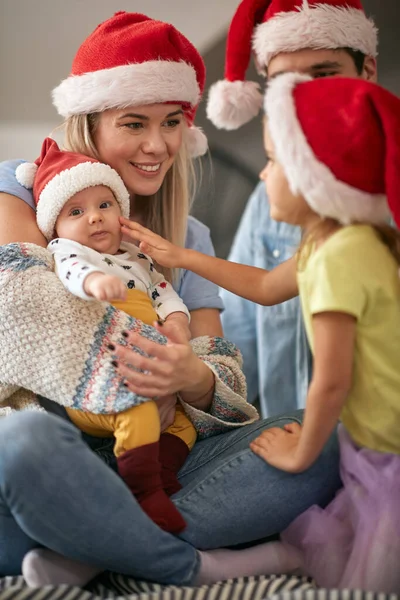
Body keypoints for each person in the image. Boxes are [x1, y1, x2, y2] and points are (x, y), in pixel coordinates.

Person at [0, 10, 341, 589]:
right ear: (91, 122)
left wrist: (192, 378)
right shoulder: (23, 190)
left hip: (160, 463)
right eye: (134, 123)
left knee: (323, 438)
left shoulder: (191, 240)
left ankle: (89, 547)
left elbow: (227, 382)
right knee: (20, 443)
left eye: (172, 122)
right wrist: (142, 369)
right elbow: (19, 320)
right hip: (51, 456)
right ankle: (183, 562)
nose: (156, 145)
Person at [126, 73, 400, 593]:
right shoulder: (330, 239)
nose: (262, 175)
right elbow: (266, 286)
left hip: (386, 446)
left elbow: (333, 382)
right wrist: (180, 256)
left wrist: (301, 453)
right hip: (371, 434)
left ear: (316, 177)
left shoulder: (345, 256)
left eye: (274, 162)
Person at [207, 0, 379, 417]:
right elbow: (239, 339)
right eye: (287, 83)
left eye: (324, 75)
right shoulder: (268, 202)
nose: (306, 99)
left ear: (367, 72)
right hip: (287, 442)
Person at [16, 135, 196, 534]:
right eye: (76, 211)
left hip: (151, 367)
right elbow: (70, 272)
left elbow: (165, 294)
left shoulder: (139, 259)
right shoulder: (68, 251)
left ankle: (158, 471)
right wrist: (94, 282)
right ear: (57, 227)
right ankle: (144, 493)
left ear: (121, 212)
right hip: (101, 374)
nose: (94, 217)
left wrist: (178, 322)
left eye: (104, 205)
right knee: (136, 411)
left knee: (184, 423)